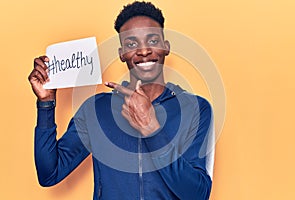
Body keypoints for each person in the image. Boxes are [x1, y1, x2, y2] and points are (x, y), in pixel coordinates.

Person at [28, 1, 214, 200]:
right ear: (121, 53)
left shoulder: (196, 108)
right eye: (132, 44)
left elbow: (198, 194)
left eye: (152, 41)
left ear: (165, 47)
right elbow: (49, 174)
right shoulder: (95, 109)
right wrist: (46, 104)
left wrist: (152, 131)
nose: (143, 51)